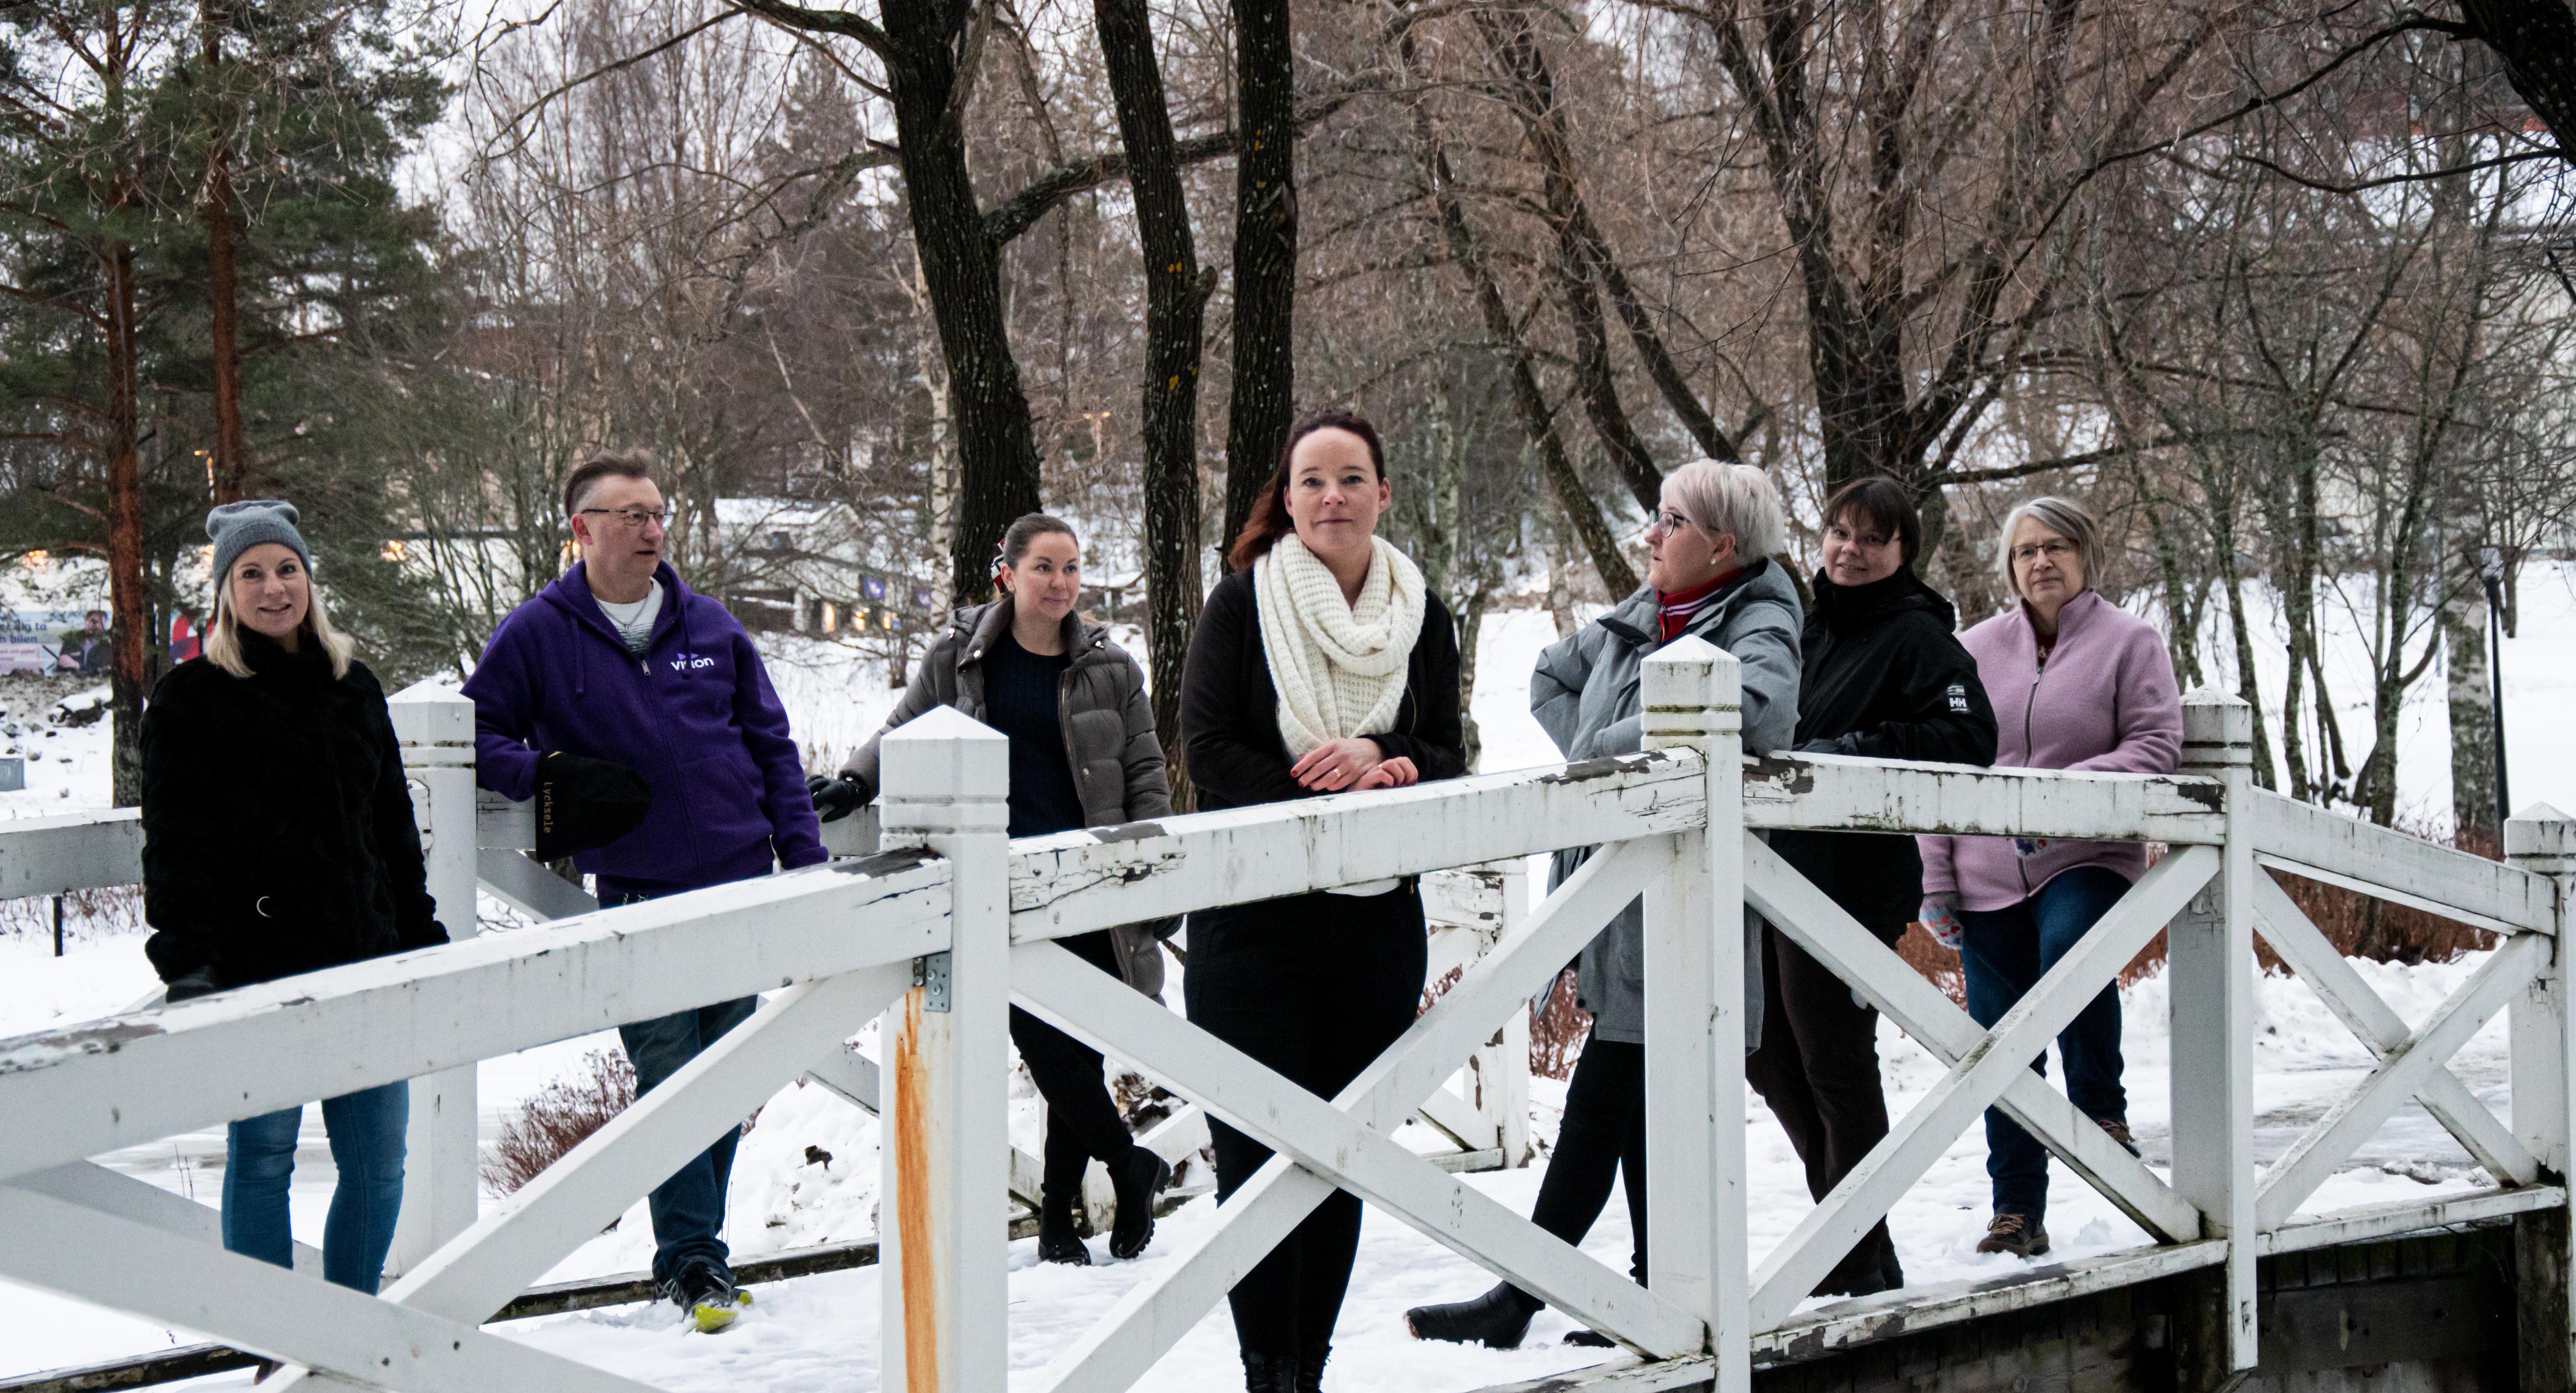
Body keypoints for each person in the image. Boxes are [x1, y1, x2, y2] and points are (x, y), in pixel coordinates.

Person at [1408, 459, 1801, 1350]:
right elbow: (1547, 677)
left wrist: (1606, 753)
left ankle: (1522, 1296)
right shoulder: (1641, 617)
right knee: (1633, 1108)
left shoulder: (1761, 617)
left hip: (1689, 904)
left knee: (1604, 1101)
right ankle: (1653, 1292)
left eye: (1669, 522)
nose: (1650, 537)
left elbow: (1764, 711)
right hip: (1614, 893)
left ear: (1723, 544)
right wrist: (1613, 761)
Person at [463, 451, 826, 1332]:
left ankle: (692, 1256)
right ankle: (697, 1262)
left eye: (659, 513)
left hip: (737, 878)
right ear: (581, 529)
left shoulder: (710, 625)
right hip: (638, 889)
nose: (651, 529)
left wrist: (804, 857)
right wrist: (545, 774)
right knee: (668, 1072)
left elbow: (772, 746)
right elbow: (472, 726)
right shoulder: (540, 632)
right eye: (630, 514)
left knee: (724, 1074)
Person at [1182, 409, 1465, 1393]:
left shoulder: (1423, 611)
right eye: (1313, 480)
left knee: (1341, 1157)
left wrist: (1389, 759)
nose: (1332, 496)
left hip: (1376, 923)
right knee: (1260, 1160)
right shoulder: (1241, 604)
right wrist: (1326, 786)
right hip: (1253, 920)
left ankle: (1312, 1367)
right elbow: (1208, 750)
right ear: (1287, 498)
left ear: (1384, 493)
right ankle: (1270, 1373)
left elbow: (1450, 753)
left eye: (1352, 479)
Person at [810, 514, 1177, 1265]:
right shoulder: (959, 657)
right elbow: (904, 726)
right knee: (1045, 1043)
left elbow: (1145, 773)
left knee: (1077, 1054)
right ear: (1007, 573)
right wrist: (855, 779)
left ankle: (1056, 1220)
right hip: (997, 889)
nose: (1062, 584)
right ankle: (1127, 1161)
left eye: (1073, 568)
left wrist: (1152, 877)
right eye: (1045, 567)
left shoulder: (1113, 669)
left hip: (1089, 884)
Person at [140, 500, 448, 1298]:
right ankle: (275, 1349)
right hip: (258, 967)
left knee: (381, 1164)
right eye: (252, 573)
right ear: (225, 593)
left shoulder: (354, 686)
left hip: (367, 959)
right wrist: (191, 964)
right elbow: (177, 849)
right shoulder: (190, 700)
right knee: (264, 1158)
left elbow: (393, 831)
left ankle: (343, 1341)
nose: (274, 588)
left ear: (310, 580)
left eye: (287, 569)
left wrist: (419, 931)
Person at [1918, 496, 2181, 1260]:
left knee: (2075, 947)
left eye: (2058, 545)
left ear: (2085, 555)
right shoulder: (1970, 650)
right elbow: (1941, 766)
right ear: (2009, 565)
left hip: (2086, 856)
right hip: (1984, 872)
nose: (2042, 561)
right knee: (2005, 1042)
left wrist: (2061, 803)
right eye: (2027, 550)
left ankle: (2101, 1116)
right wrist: (1936, 878)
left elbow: (2156, 744)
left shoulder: (2132, 643)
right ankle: (2016, 1209)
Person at [1755, 476, 1998, 1298]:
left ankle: (1857, 1245)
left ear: (1902, 553)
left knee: (1832, 1056)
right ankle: (1850, 1227)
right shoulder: (1806, 625)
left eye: (1872, 539)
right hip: (1771, 864)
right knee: (1763, 1050)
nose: (1850, 551)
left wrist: (1861, 748)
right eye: (1839, 533)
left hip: (1852, 875)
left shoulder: (1919, 635)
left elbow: (1970, 736)